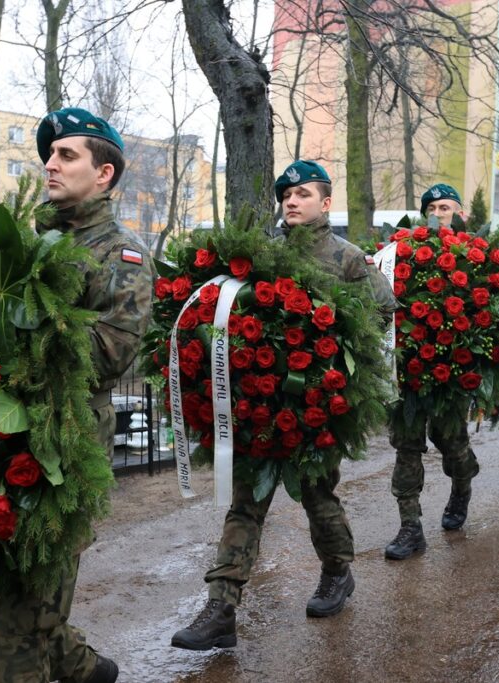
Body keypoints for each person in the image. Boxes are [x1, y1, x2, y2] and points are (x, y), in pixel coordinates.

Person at [170, 160, 394, 651]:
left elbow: (383, 310)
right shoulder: (264, 256)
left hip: (319, 401)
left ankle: (338, 572)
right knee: (246, 501)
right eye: (286, 195)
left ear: (326, 203)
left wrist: (339, 356)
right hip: (262, 405)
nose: (292, 202)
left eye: (303, 194)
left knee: (317, 495)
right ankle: (221, 607)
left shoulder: (349, 258)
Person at [0, 106, 155, 683]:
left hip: (66, 439)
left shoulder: (121, 254)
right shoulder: (23, 245)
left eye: (66, 154)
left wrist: (26, 337)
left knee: (25, 608)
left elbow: (114, 354)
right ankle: (81, 667)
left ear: (104, 174)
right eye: (49, 154)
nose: (50, 164)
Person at [384, 183, 481, 561]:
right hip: (408, 368)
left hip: (451, 371)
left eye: (446, 207)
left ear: (459, 213)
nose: (439, 213)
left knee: (451, 443)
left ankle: (462, 487)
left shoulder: (476, 257)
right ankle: (410, 528)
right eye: (433, 208)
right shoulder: (400, 251)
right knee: (406, 446)